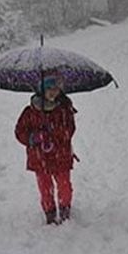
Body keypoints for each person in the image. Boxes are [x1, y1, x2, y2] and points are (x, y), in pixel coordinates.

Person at [15, 72, 77, 225]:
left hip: (61, 155)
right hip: (39, 157)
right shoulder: (30, 112)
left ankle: (64, 210)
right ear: (42, 89)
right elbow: (20, 132)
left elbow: (70, 129)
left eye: (56, 88)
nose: (53, 91)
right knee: (45, 188)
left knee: (65, 186)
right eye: (49, 87)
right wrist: (33, 138)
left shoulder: (64, 108)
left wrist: (54, 133)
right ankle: (49, 212)